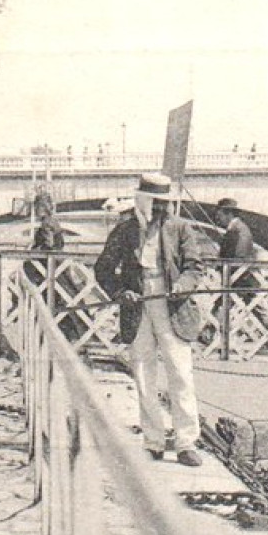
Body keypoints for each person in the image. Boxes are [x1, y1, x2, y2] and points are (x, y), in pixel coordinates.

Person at [94, 173, 208, 466]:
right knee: (144, 374)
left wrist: (181, 286)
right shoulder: (124, 231)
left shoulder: (180, 228)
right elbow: (103, 268)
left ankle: (186, 443)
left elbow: (195, 267)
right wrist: (120, 292)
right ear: (141, 201)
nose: (159, 209)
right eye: (154, 203)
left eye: (163, 204)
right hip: (139, 305)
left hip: (173, 306)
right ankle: (153, 441)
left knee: (181, 374)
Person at [215, 196, 268, 335]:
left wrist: (227, 268)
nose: (218, 218)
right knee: (224, 305)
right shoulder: (236, 229)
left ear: (228, 214)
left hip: (242, 277)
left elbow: (240, 254)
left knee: (252, 307)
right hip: (239, 276)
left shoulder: (239, 230)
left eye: (220, 214)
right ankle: (209, 334)